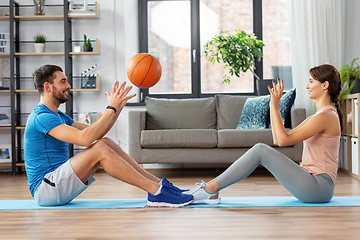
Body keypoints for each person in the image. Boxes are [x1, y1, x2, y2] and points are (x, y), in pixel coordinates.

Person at [24, 64, 193, 207]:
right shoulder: (42, 117)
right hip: (46, 189)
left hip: (57, 184)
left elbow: (97, 133)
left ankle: (160, 186)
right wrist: (110, 109)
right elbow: (85, 139)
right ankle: (156, 192)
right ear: (47, 87)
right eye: (63, 81)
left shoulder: (58, 116)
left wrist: (116, 109)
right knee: (100, 149)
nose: (68, 85)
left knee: (105, 142)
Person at [186, 64, 342, 204]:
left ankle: (209, 189)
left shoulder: (326, 116)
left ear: (325, 85)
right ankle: (210, 189)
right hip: (311, 182)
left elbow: (282, 141)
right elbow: (278, 138)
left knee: (260, 149)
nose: (307, 85)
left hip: (318, 187)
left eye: (311, 81)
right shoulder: (319, 116)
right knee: (261, 149)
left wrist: (274, 104)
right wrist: (273, 104)